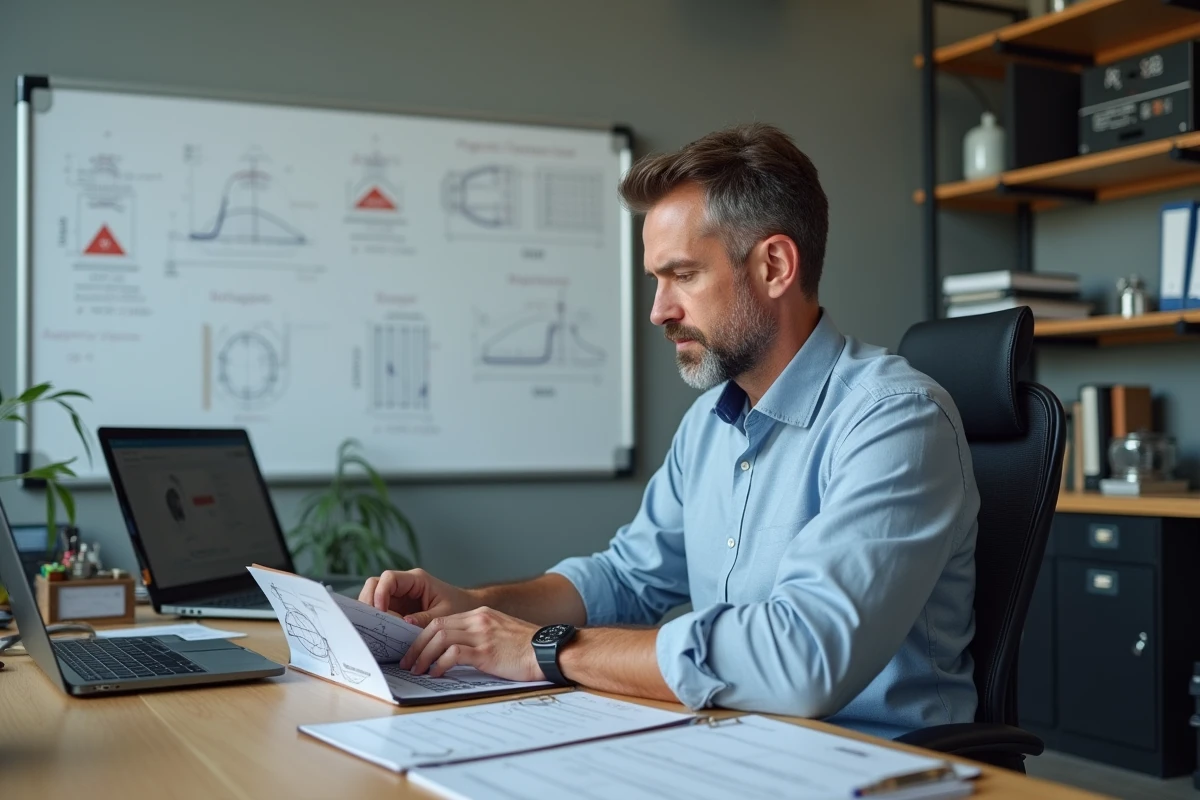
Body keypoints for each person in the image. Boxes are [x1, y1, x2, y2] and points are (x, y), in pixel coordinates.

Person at [360, 123, 981, 738]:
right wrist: (473, 605)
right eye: (657, 279)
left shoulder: (896, 420)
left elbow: (801, 658)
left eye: (682, 275)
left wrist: (546, 649)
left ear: (774, 266)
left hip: (877, 767)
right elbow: (626, 577)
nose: (659, 310)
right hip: (736, 751)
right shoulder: (709, 426)